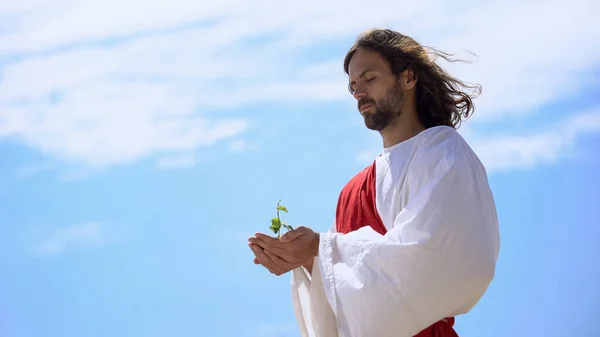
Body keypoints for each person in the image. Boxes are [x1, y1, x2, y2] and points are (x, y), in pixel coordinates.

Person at [248, 28, 500, 337]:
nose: (358, 92)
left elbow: (432, 257)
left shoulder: (442, 153)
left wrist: (319, 247)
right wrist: (306, 259)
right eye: (353, 85)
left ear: (408, 78)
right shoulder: (352, 191)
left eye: (369, 79)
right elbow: (340, 287)